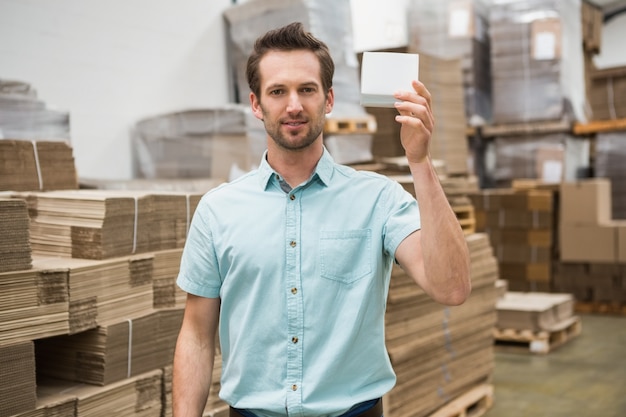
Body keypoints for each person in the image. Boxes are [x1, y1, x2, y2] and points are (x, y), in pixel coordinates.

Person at [172, 21, 471, 417]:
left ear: (328, 100)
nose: (293, 104)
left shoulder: (377, 199)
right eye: (278, 91)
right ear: (257, 104)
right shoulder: (217, 211)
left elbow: (451, 288)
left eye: (307, 90)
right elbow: (195, 334)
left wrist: (420, 161)